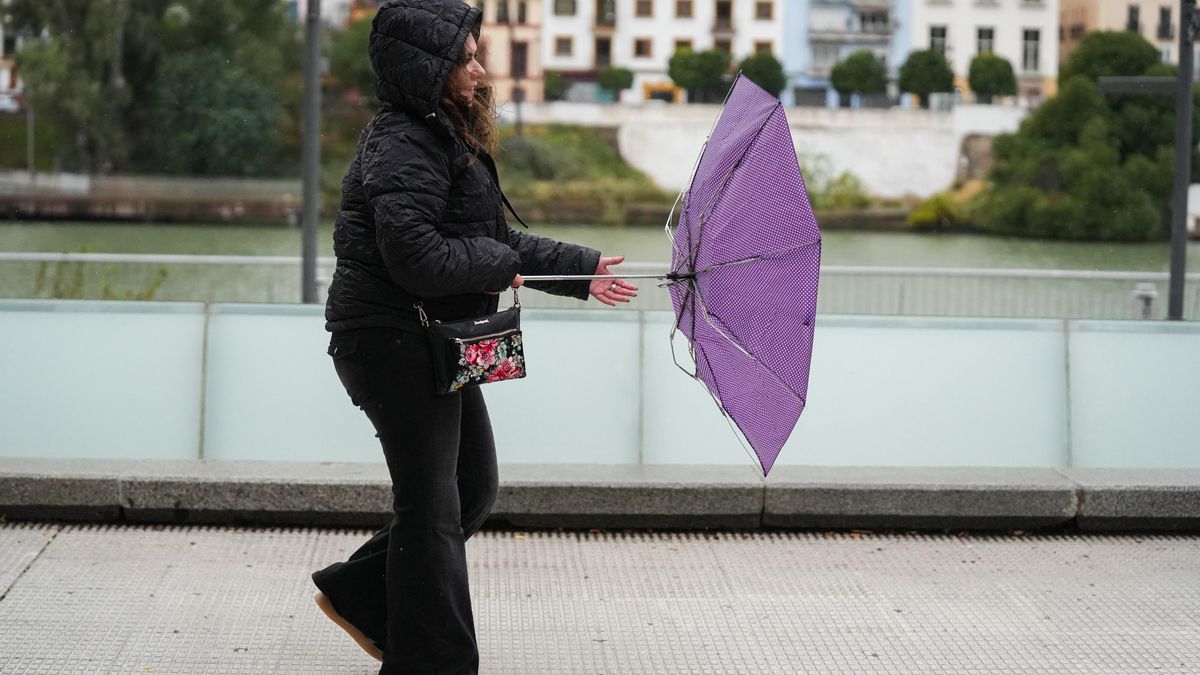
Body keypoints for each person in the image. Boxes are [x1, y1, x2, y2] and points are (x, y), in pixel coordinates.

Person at [311, 1, 638, 673]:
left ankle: (362, 592)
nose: (481, 70)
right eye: (467, 60)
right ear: (428, 70)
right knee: (431, 507)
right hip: (388, 339)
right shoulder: (401, 141)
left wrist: (582, 270)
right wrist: (505, 264)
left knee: (470, 486)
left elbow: (495, 241)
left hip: (433, 338)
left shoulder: (442, 135)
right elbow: (418, 259)